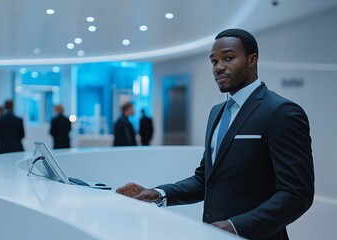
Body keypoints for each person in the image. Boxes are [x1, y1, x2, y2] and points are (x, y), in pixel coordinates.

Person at [116, 29, 314, 240]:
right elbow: (205, 180)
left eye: (228, 58)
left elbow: (296, 194)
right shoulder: (217, 113)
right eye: (214, 61)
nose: (219, 67)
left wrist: (235, 227)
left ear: (252, 60)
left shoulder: (280, 112)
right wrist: (157, 193)